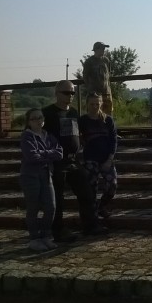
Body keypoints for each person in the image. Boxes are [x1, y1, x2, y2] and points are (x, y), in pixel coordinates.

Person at [42, 80, 102, 241]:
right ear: (57, 93)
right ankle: (58, 230)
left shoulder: (74, 112)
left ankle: (90, 226)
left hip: (72, 161)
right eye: (66, 92)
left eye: (72, 93)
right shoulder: (47, 113)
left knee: (86, 192)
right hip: (55, 161)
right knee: (58, 198)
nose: (70, 96)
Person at [20, 108, 61, 252]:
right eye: (34, 118)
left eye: (40, 117)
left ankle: (45, 236)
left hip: (46, 174)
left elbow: (59, 153)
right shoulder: (27, 137)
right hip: (30, 176)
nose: (38, 121)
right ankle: (34, 238)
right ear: (28, 122)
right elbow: (32, 157)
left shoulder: (48, 136)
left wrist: (42, 153)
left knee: (51, 207)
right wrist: (49, 154)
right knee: (33, 207)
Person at [78, 92, 118, 220]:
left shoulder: (108, 120)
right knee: (91, 188)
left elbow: (113, 140)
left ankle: (102, 206)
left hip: (106, 157)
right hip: (90, 158)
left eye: (97, 104)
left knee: (112, 185)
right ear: (87, 104)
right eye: (92, 104)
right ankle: (93, 214)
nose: (95, 106)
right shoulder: (82, 121)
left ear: (101, 104)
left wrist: (110, 158)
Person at [82, 42, 113, 116]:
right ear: (96, 50)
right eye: (101, 48)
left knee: (108, 114)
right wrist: (90, 90)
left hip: (107, 93)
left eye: (104, 49)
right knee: (94, 114)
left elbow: (109, 73)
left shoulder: (106, 60)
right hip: (94, 94)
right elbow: (85, 76)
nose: (103, 50)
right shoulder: (89, 62)